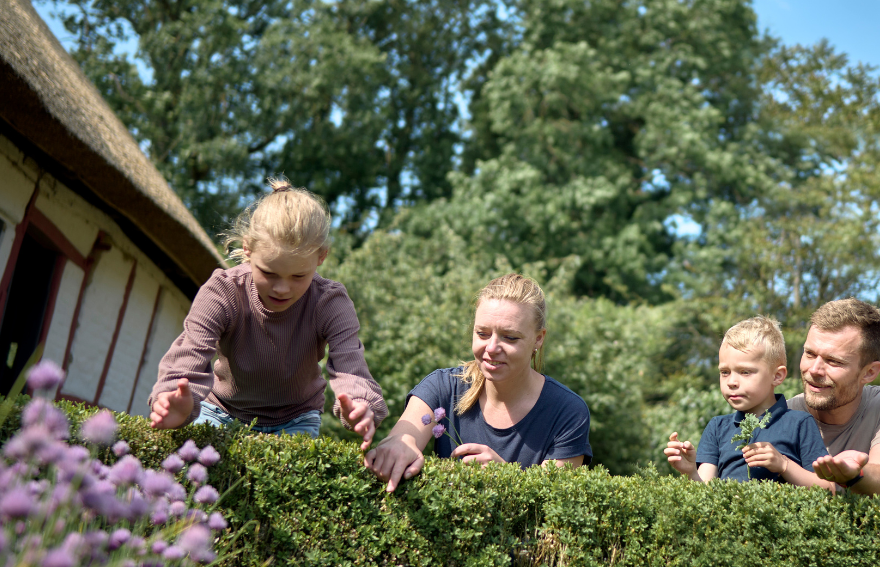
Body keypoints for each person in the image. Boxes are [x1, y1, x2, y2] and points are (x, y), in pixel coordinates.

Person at [147, 179, 386, 440]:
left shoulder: (330, 303)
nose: (282, 289)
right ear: (248, 249)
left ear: (321, 257)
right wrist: (177, 399)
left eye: (298, 276)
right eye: (269, 273)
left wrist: (361, 404)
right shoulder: (222, 291)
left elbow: (349, 364)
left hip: (297, 418)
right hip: (221, 411)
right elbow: (190, 352)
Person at [362, 274, 591, 492]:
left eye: (510, 337)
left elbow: (554, 506)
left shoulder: (568, 412)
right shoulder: (442, 387)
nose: (491, 348)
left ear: (538, 338)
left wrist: (507, 479)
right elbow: (404, 434)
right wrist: (400, 445)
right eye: (482, 333)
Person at [663, 316, 834, 489]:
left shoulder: (800, 423)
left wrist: (784, 465)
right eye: (725, 372)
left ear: (777, 376)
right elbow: (705, 494)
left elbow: (827, 488)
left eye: (745, 372)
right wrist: (690, 472)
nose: (731, 382)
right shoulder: (717, 427)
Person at [787, 298, 880, 497]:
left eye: (833, 361)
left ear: (869, 372)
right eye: (809, 354)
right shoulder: (784, 415)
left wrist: (854, 474)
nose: (814, 370)